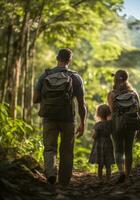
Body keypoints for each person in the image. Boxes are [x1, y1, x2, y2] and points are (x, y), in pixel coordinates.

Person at [33, 48, 87, 186]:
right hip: (68, 118)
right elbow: (81, 104)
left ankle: (51, 173)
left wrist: (50, 99)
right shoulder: (75, 77)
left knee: (49, 147)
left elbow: (35, 99)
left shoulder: (45, 76)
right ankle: (64, 182)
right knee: (67, 150)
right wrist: (83, 123)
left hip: (49, 118)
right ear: (70, 60)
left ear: (57, 58)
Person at [107, 69, 140, 183]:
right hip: (131, 123)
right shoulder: (133, 93)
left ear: (115, 79)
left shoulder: (111, 94)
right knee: (129, 150)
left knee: (118, 149)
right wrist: (139, 129)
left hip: (117, 124)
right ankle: (127, 175)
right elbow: (139, 112)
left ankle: (121, 171)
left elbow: (111, 112)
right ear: (126, 78)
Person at [89, 104, 115, 182]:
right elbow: (113, 132)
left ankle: (100, 179)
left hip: (99, 145)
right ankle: (108, 179)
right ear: (108, 113)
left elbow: (94, 136)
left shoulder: (98, 125)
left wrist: (93, 136)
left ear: (98, 114)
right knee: (108, 164)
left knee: (100, 164)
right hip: (108, 143)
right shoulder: (111, 124)